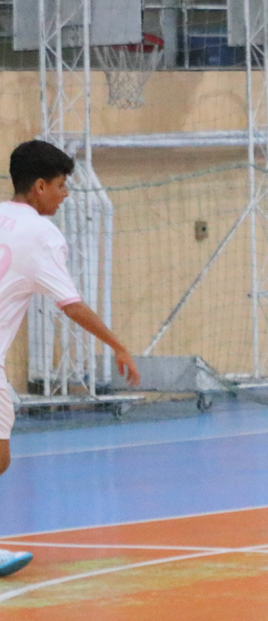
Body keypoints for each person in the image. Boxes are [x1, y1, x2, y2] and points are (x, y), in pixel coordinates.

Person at [0, 140, 141, 578]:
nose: (65, 195)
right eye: (61, 185)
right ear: (40, 186)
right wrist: (117, 344)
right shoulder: (42, 235)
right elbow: (71, 305)